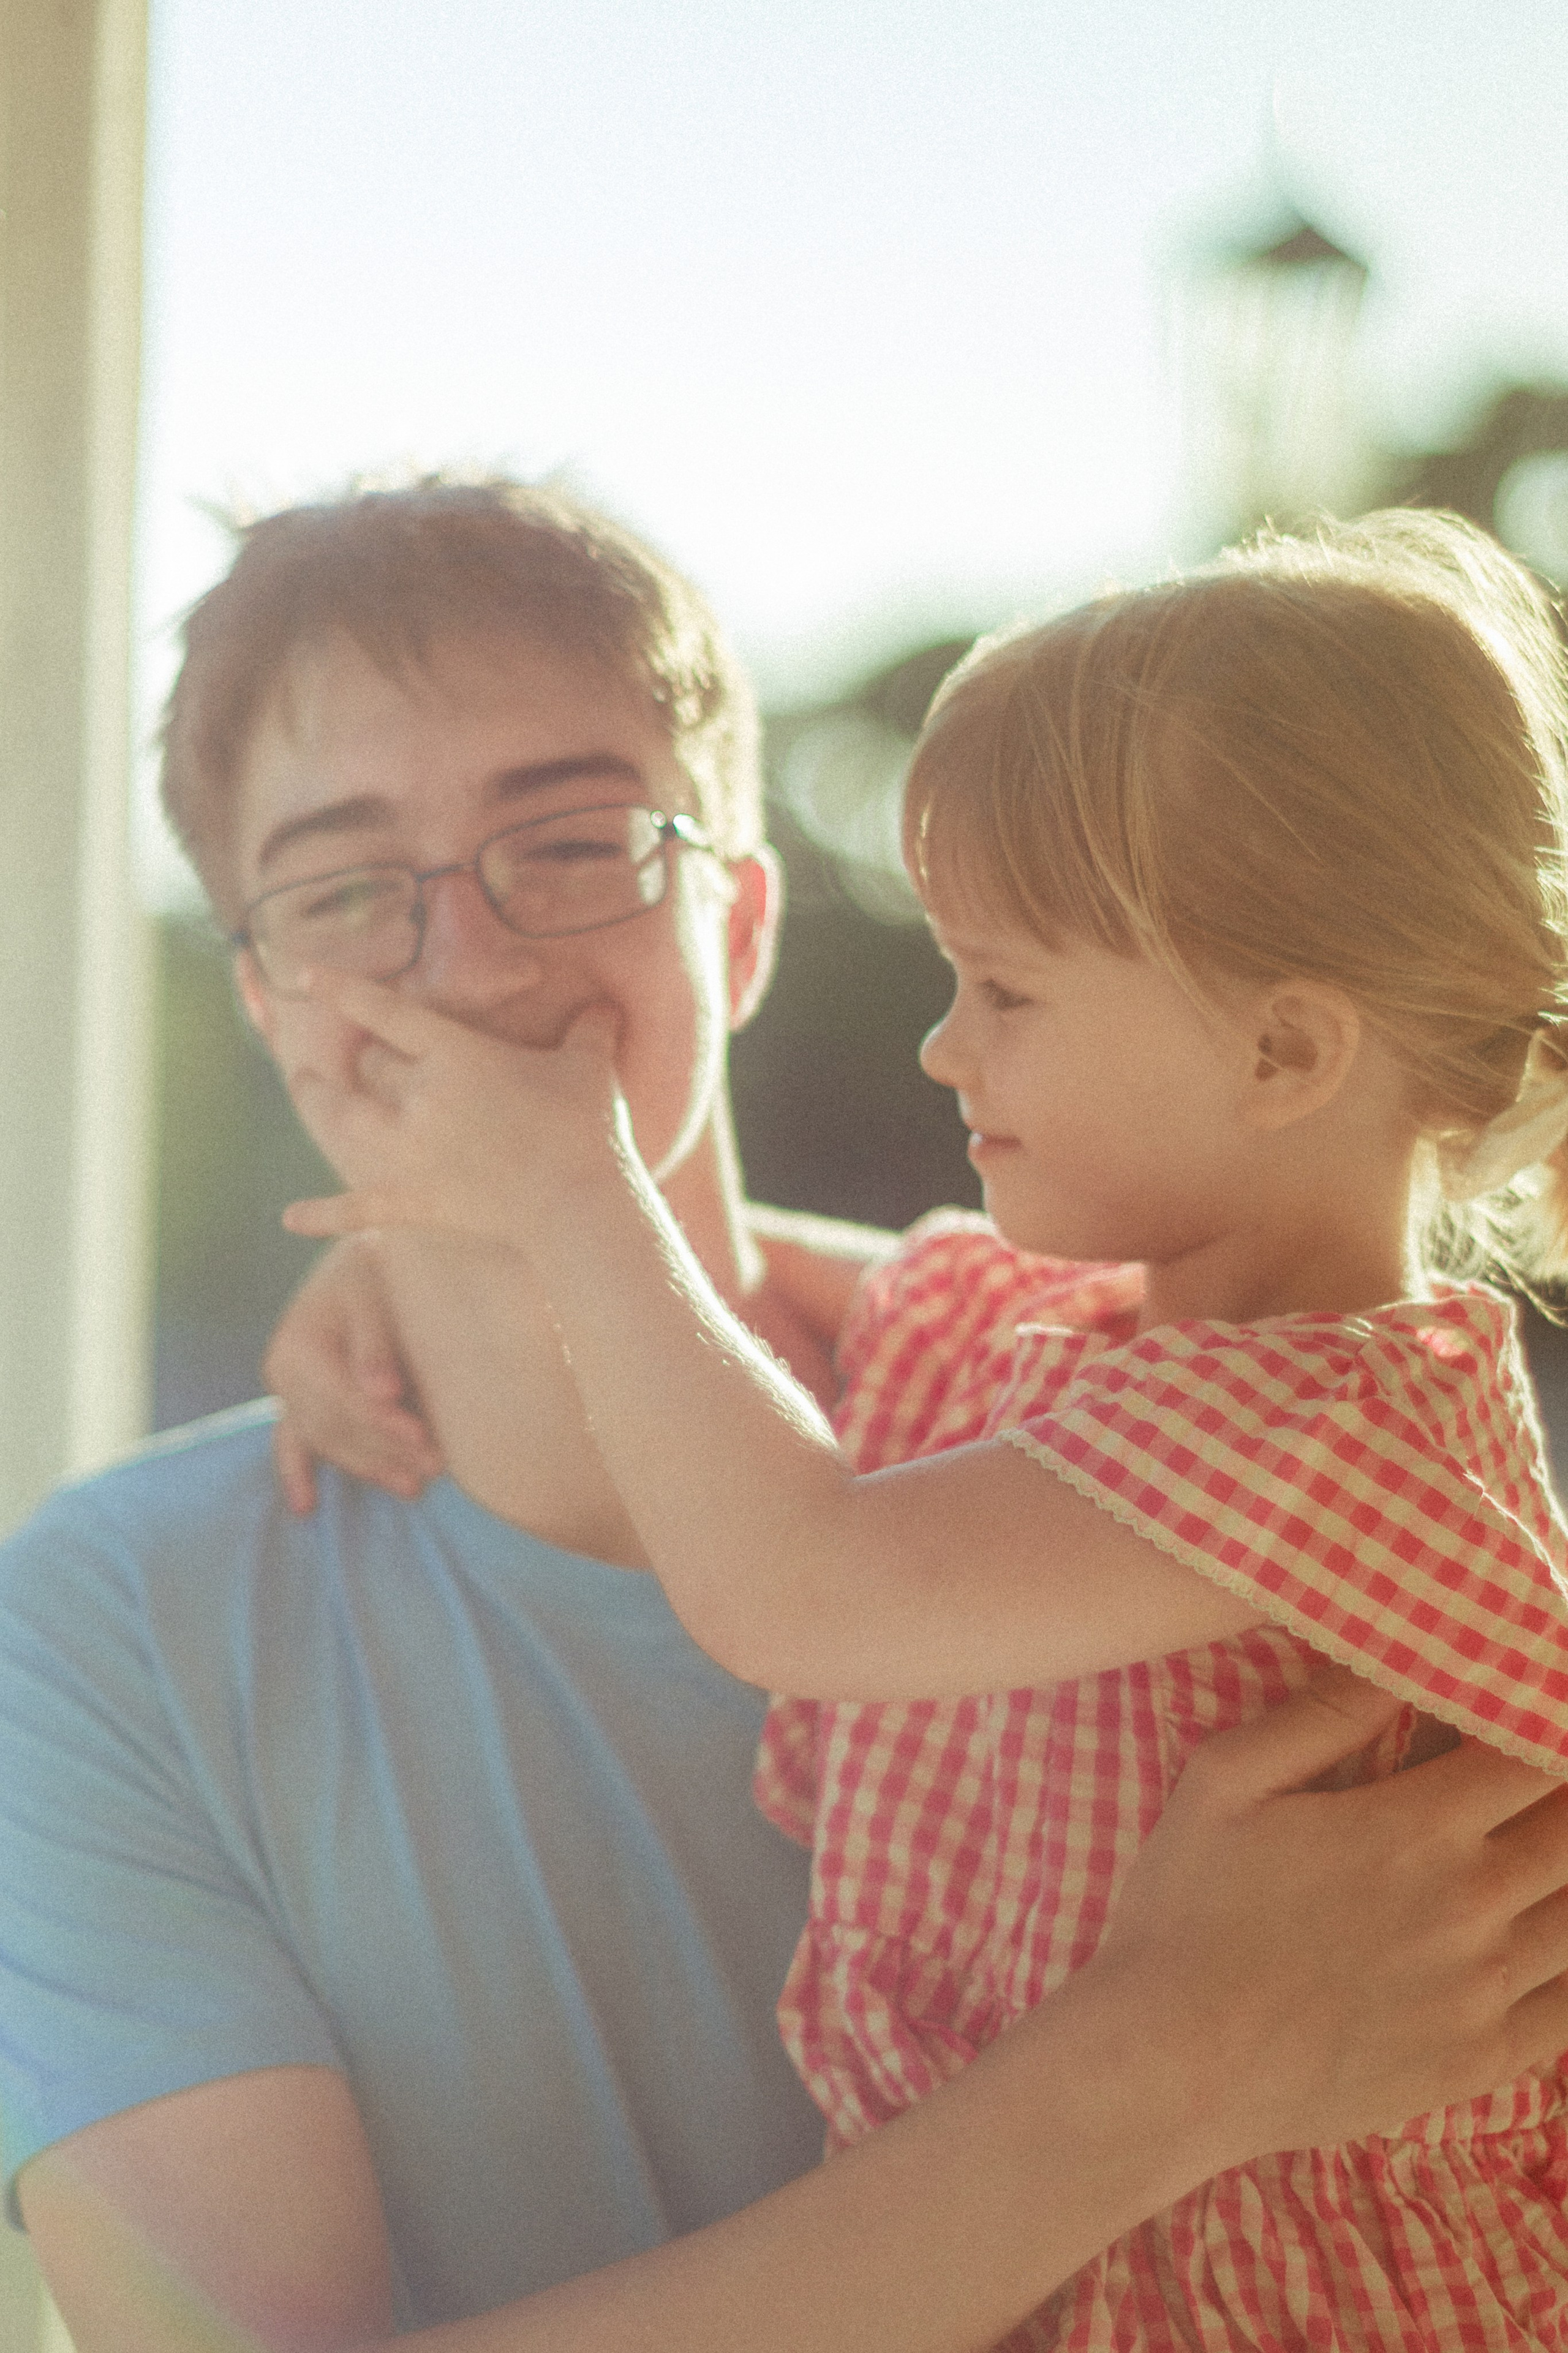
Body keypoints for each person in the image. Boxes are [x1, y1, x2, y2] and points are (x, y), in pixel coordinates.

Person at [4, 481, 1568, 2353]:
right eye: (347, 890)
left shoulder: (1068, 1425)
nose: (475, 957)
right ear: (267, 1001)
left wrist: (551, 1215)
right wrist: (1161, 2066)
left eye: (573, 843)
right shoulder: (103, 1645)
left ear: (740, 925)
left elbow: (810, 1543)